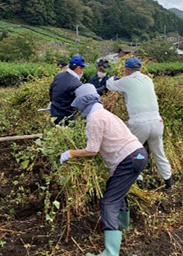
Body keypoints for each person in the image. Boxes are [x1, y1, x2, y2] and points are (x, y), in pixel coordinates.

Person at [59, 84, 148, 256]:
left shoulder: (94, 119)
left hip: (129, 159)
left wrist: (70, 153)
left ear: (82, 104)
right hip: (139, 155)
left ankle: (110, 252)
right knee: (115, 189)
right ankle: (122, 226)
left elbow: (92, 150)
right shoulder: (106, 114)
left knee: (108, 202)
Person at [106, 57, 173, 191]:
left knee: (133, 152)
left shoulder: (127, 80)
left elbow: (110, 85)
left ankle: (138, 181)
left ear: (128, 70)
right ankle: (168, 182)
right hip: (157, 121)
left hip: (139, 123)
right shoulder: (148, 80)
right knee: (159, 151)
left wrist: (111, 78)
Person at [49, 55, 86, 125]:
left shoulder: (59, 76)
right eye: (82, 68)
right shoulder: (76, 83)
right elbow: (80, 102)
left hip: (54, 110)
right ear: (78, 68)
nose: (83, 71)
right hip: (66, 115)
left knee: (56, 132)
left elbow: (51, 91)